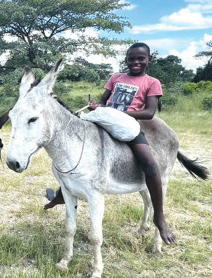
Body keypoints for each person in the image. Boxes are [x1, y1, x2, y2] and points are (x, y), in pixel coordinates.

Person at [44, 43, 176, 245]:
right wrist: (97, 106)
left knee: (150, 163)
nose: (136, 62)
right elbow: (104, 101)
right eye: (131, 58)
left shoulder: (152, 82)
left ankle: (159, 216)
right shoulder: (116, 78)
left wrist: (118, 113)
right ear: (126, 59)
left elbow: (149, 112)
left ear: (149, 59)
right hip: (105, 120)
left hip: (130, 125)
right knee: (74, 153)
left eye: (141, 58)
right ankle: (63, 192)